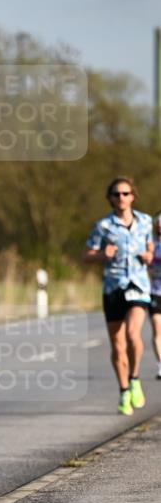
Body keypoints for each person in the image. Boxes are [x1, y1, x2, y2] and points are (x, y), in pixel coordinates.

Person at [84, 177, 154, 415]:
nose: (121, 198)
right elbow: (87, 255)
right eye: (116, 194)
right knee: (117, 343)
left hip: (138, 284)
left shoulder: (145, 221)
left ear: (133, 196)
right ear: (110, 199)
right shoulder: (103, 226)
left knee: (133, 333)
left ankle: (134, 378)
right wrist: (102, 255)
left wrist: (148, 256)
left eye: (125, 193)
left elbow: (150, 247)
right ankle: (124, 390)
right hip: (113, 287)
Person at [149, 211, 161, 380]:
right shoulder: (149, 243)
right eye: (158, 222)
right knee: (157, 329)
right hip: (154, 292)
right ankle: (160, 364)